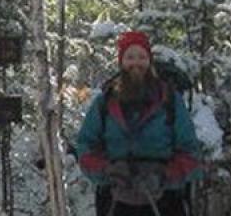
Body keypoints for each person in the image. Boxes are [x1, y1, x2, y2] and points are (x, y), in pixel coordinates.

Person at [75, 31, 202, 216]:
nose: (136, 63)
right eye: (130, 57)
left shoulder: (170, 100)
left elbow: (190, 151)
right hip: (115, 199)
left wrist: (164, 175)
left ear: (149, 61)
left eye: (142, 57)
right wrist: (108, 171)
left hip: (165, 200)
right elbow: (85, 147)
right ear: (121, 61)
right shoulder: (104, 103)